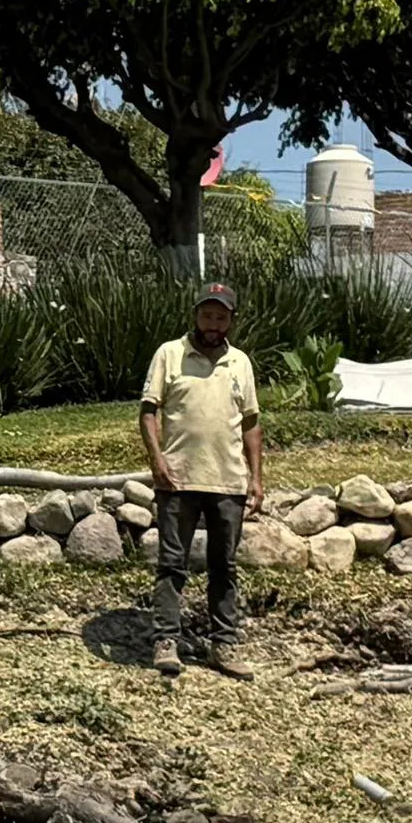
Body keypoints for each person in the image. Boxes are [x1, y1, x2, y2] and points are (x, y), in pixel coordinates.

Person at [138, 280, 264, 677]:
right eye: (207, 315)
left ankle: (223, 645)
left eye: (221, 316)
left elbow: (251, 422)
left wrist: (256, 477)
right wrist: (157, 460)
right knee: (172, 563)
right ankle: (166, 641)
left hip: (227, 481)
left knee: (224, 566)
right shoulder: (169, 354)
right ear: (195, 315)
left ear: (231, 321)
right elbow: (148, 411)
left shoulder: (240, 362)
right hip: (178, 479)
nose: (213, 323)